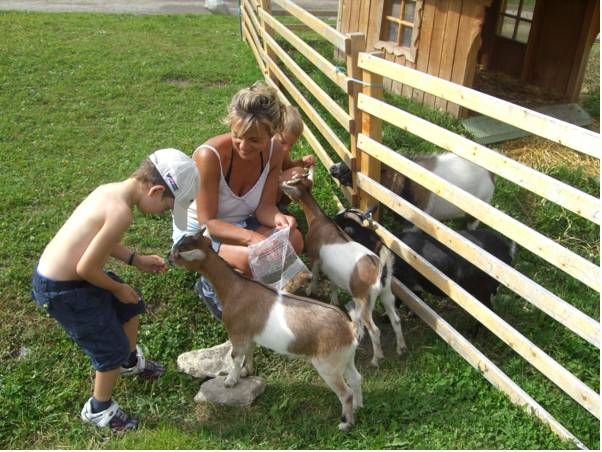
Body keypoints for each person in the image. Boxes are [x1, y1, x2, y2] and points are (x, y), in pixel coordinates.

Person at [31, 148, 199, 433]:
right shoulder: (121, 213)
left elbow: (99, 241)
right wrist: (118, 287)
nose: (164, 213)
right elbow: (87, 268)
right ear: (156, 191)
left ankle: (128, 362)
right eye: (167, 207)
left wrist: (135, 260)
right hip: (63, 290)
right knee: (110, 346)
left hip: (69, 278)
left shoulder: (108, 191)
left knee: (129, 306)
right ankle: (99, 409)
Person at [172, 82, 304, 320]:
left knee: (294, 238)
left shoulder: (275, 151)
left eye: (254, 140)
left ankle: (243, 282)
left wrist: (278, 218)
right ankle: (209, 286)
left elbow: (265, 207)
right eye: (237, 135)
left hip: (239, 225)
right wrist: (253, 239)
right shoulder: (209, 156)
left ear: (272, 133)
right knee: (252, 260)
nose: (243, 146)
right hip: (198, 234)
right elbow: (209, 222)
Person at [276, 104, 315, 212]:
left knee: (298, 172)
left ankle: (281, 208)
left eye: (291, 144)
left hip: (274, 189)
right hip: (261, 192)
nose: (286, 148)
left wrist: (302, 162)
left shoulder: (282, 150)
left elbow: (288, 166)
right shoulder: (263, 149)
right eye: (283, 142)